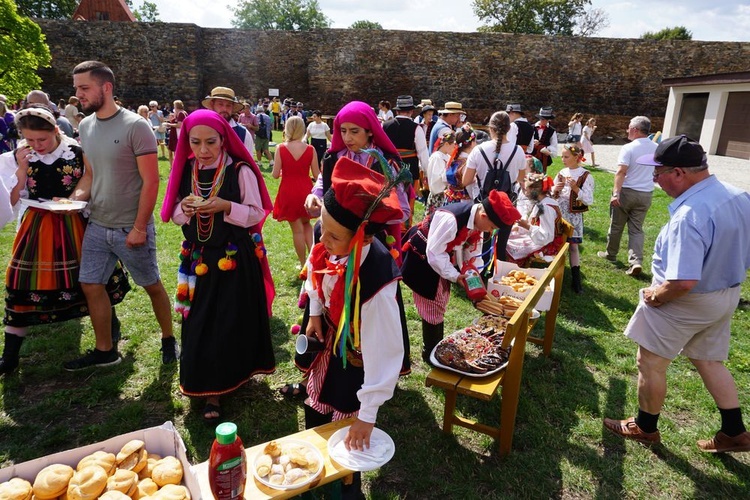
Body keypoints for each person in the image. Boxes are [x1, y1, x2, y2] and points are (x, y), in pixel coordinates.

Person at [603, 135, 750, 453]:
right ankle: (734, 432)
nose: (654, 179)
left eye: (659, 172)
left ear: (680, 173)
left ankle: (644, 427)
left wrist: (657, 296)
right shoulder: (739, 196)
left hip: (687, 299)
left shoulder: (690, 215)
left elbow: (683, 281)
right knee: (709, 360)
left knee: (650, 362)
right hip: (726, 294)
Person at [161, 109, 276, 423]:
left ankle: (228, 381)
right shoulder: (186, 169)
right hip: (198, 260)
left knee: (230, 318)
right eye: (195, 142)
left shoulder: (240, 171)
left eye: (210, 142)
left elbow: (255, 212)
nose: (203, 149)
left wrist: (226, 206)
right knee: (199, 320)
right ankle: (207, 383)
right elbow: (173, 213)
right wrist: (184, 208)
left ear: (224, 139)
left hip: (233, 258)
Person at [0, 106, 130, 375]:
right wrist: (22, 169)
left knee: (93, 279)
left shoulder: (76, 152)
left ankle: (109, 339)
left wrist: (75, 200)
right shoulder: (21, 155)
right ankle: (9, 357)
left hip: (74, 223)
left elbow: (90, 181)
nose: (37, 145)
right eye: (30, 140)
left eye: (42, 140)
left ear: (56, 131)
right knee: (21, 281)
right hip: (36, 225)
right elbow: (12, 200)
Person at [303, 156, 405, 498]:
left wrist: (368, 414)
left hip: (356, 358)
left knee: (348, 431)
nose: (323, 237)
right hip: (330, 339)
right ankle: (316, 475)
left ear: (361, 238)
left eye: (334, 236)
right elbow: (315, 264)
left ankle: (347, 489)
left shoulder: (377, 281)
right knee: (316, 412)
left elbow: (386, 352)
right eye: (322, 226)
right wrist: (315, 311)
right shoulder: (327, 233)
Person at [65, 60, 177, 370]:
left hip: (131, 225)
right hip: (97, 223)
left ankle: (168, 338)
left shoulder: (134, 126)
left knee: (151, 284)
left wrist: (140, 227)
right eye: (77, 88)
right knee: (90, 283)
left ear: (106, 87)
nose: (79, 94)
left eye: (84, 87)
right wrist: (72, 199)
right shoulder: (85, 126)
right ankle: (105, 350)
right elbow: (89, 174)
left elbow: (152, 180)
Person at [401, 191, 520, 364]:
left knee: (440, 302)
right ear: (483, 215)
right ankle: (431, 353)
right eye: (492, 227)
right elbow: (434, 253)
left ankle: (436, 348)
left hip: (441, 259)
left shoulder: (477, 222)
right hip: (424, 260)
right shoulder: (451, 220)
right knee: (432, 305)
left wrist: (473, 276)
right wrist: (456, 276)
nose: (490, 231)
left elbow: (472, 251)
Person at [304, 101, 410, 265]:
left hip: (373, 242)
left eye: (354, 131)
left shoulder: (386, 164)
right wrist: (314, 196)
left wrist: (370, 225)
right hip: (335, 242)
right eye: (343, 131)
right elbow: (322, 183)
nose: (347, 138)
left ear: (370, 131)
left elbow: (402, 210)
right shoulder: (334, 158)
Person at [462, 110, 527, 265]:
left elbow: (465, 180)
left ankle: (483, 271)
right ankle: (498, 277)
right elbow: (521, 178)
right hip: (507, 203)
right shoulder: (518, 151)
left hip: (485, 203)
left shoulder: (478, 150)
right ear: (509, 129)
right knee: (502, 244)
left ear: (490, 128)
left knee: (483, 241)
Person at [596, 116, 657, 277]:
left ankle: (611, 254)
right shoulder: (657, 147)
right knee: (636, 230)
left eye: (629, 127)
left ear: (635, 130)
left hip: (627, 191)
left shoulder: (629, 148)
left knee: (616, 226)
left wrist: (616, 192)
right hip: (646, 194)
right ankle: (636, 261)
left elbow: (621, 171)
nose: (626, 130)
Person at [272, 116, 320, 268]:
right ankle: (313, 261)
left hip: (288, 190)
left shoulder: (281, 148)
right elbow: (317, 175)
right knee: (307, 225)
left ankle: (303, 263)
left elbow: (274, 174)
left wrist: (285, 172)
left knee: (297, 231)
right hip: (306, 190)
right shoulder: (310, 149)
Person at [550, 145, 595, 293]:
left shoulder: (585, 175)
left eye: (566, 157)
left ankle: (576, 281)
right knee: (557, 244)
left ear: (576, 157)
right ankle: (553, 276)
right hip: (559, 214)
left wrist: (575, 188)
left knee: (573, 246)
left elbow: (588, 199)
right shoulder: (562, 172)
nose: (563, 160)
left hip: (574, 216)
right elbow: (551, 194)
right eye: (562, 156)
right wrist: (556, 189)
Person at [383, 95, 429, 227]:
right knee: (408, 198)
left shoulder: (385, 125)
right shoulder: (416, 128)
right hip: (409, 169)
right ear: (411, 111)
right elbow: (422, 153)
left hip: (388, 167)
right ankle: (404, 227)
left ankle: (388, 225)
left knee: (389, 196)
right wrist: (426, 173)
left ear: (397, 111)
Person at [506, 173, 565, 266]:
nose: (525, 193)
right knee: (506, 237)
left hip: (546, 244)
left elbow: (547, 236)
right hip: (539, 239)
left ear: (534, 190)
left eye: (526, 190)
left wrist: (527, 226)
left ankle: (513, 270)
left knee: (508, 246)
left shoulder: (546, 208)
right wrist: (522, 226)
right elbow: (534, 222)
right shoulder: (542, 202)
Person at [202, 87, 254, 154]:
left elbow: (248, 162)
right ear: (212, 105)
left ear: (232, 108)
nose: (224, 109)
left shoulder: (243, 134)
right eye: (220, 104)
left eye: (228, 105)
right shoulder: (200, 129)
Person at [424, 131, 455, 215]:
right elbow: (436, 178)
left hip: (445, 195)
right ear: (446, 144)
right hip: (438, 195)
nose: (454, 149)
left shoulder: (447, 157)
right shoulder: (437, 157)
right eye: (453, 146)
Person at [532, 107, 558, 174]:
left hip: (544, 157)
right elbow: (525, 142)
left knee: (542, 174)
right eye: (542, 119)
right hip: (532, 155)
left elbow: (554, 145)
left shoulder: (551, 130)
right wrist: (532, 143)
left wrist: (547, 148)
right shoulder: (531, 128)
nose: (544, 121)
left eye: (546, 120)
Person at [166, 100, 188, 166]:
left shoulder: (181, 113)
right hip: (176, 135)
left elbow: (180, 125)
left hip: (179, 136)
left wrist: (169, 125)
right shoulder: (180, 113)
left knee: (178, 153)